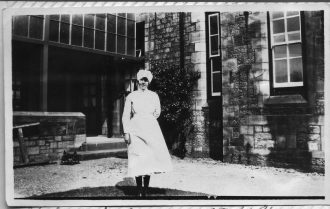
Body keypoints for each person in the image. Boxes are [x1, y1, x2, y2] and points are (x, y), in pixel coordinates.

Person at [122, 69, 173, 197]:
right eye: (141, 80)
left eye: (146, 80)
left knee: (149, 158)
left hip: (151, 129)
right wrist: (126, 132)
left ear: (149, 82)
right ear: (137, 81)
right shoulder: (131, 96)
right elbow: (125, 116)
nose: (143, 82)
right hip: (135, 130)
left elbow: (157, 112)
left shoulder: (153, 96)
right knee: (138, 158)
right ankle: (139, 189)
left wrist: (148, 120)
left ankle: (145, 190)